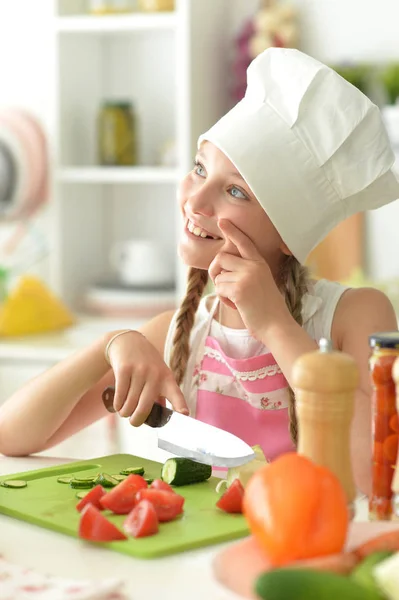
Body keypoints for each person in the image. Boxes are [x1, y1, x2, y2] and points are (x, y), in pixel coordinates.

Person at [0, 48, 398, 495]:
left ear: (290, 234)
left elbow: (369, 477)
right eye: (199, 168)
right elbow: (11, 436)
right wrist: (109, 346)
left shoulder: (356, 316)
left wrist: (273, 325)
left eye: (234, 191)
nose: (195, 201)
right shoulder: (173, 334)